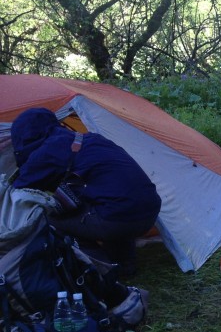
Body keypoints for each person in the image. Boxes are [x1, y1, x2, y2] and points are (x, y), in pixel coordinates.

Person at [9, 108, 161, 276]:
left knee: (46, 219)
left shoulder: (48, 151)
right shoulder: (92, 139)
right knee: (109, 203)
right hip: (150, 212)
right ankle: (125, 263)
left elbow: (16, 191)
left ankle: (101, 269)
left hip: (117, 219)